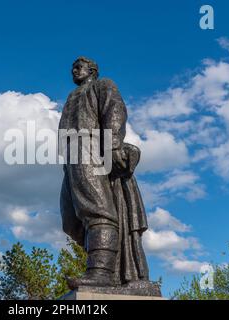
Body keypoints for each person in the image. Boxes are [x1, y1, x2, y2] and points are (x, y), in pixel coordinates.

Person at [59, 57, 149, 288]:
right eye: (73, 67)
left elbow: (114, 112)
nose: (74, 70)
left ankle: (102, 273)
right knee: (71, 222)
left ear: (93, 71)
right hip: (70, 156)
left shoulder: (103, 85)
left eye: (80, 67)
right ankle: (104, 263)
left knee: (97, 210)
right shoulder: (72, 96)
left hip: (90, 146)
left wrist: (113, 145)